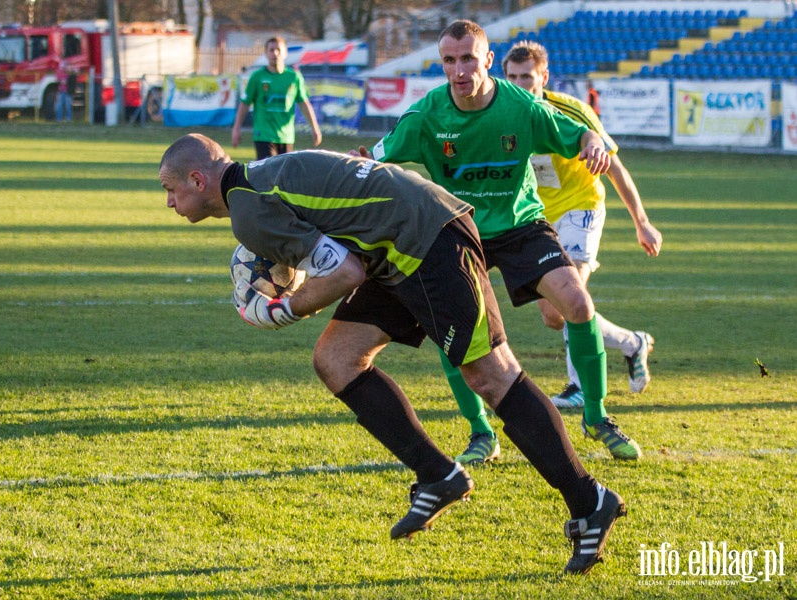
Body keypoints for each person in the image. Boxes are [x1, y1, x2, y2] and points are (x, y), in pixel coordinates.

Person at [159, 133, 626, 575]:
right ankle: (437, 474)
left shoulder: (248, 212)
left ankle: (590, 502)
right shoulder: (261, 175)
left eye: (170, 190)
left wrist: (284, 308)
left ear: (198, 181)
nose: (169, 202)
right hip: (397, 243)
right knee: (336, 359)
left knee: (491, 376)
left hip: (427, 238)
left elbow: (344, 272)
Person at [359, 19, 641, 463]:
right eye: (449, 61)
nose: (459, 70)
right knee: (455, 334)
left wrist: (592, 143)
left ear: (488, 60)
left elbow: (579, 134)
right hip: (459, 228)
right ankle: (481, 433)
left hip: (520, 224)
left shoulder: (521, 106)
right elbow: (370, 161)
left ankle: (596, 416)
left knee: (578, 304)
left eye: (469, 58)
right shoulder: (426, 115)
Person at [503, 41, 663, 408]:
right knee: (553, 315)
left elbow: (615, 166)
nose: (519, 84)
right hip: (538, 217)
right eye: (512, 77)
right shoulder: (503, 112)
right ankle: (631, 343)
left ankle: (579, 386)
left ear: (543, 76)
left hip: (581, 208)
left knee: (569, 295)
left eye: (527, 77)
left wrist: (642, 222)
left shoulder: (571, 111)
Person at [231, 36, 322, 159]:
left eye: (278, 49)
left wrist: (314, 128)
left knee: (283, 175)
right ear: (266, 53)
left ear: (285, 53)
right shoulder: (257, 77)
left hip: (286, 136)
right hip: (263, 134)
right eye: (271, 50)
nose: (275, 53)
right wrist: (236, 129)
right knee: (269, 173)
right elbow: (245, 104)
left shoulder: (294, 77)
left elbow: (304, 103)